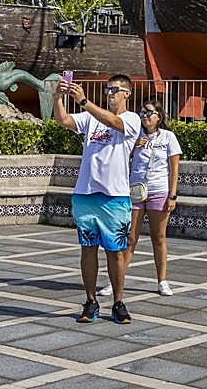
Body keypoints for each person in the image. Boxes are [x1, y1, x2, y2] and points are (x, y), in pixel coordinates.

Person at [55, 73, 141, 325]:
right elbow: (64, 121)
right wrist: (59, 97)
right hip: (86, 194)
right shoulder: (91, 119)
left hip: (114, 196)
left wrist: (84, 102)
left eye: (114, 90)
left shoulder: (131, 118)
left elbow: (114, 122)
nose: (110, 94)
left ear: (127, 93)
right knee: (88, 249)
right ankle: (91, 300)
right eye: (107, 90)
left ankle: (118, 301)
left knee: (116, 252)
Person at [125, 99, 182, 296]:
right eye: (142, 113)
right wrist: (132, 146)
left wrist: (172, 195)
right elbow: (120, 159)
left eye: (149, 113)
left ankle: (162, 280)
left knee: (158, 238)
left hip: (159, 190)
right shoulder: (134, 135)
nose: (145, 116)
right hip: (136, 190)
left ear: (159, 117)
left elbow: (174, 168)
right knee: (130, 237)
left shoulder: (168, 137)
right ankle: (118, 279)